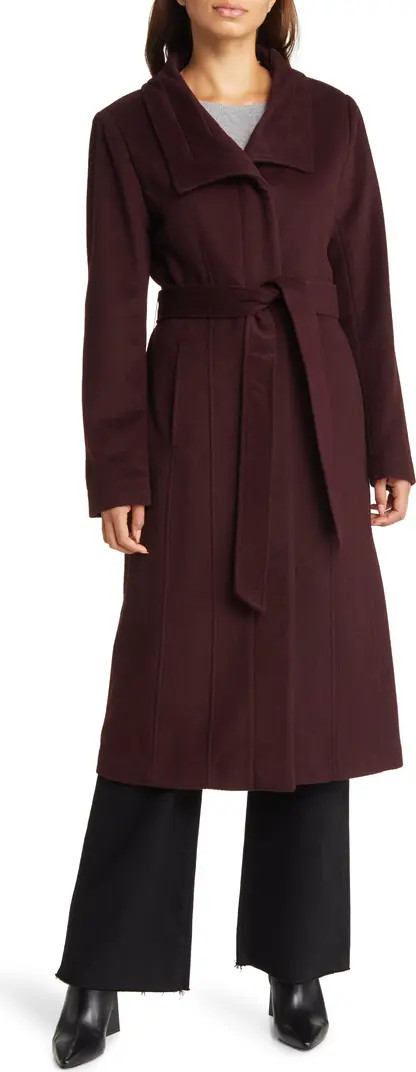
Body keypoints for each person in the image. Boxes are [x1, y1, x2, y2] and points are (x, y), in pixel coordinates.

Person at [52, 0, 415, 1066]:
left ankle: (297, 961)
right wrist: (119, 468)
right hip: (193, 423)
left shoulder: (333, 119)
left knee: (309, 697)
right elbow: (111, 309)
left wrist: (385, 443)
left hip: (314, 418)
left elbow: (365, 290)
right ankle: (102, 970)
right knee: (162, 699)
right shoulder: (129, 129)